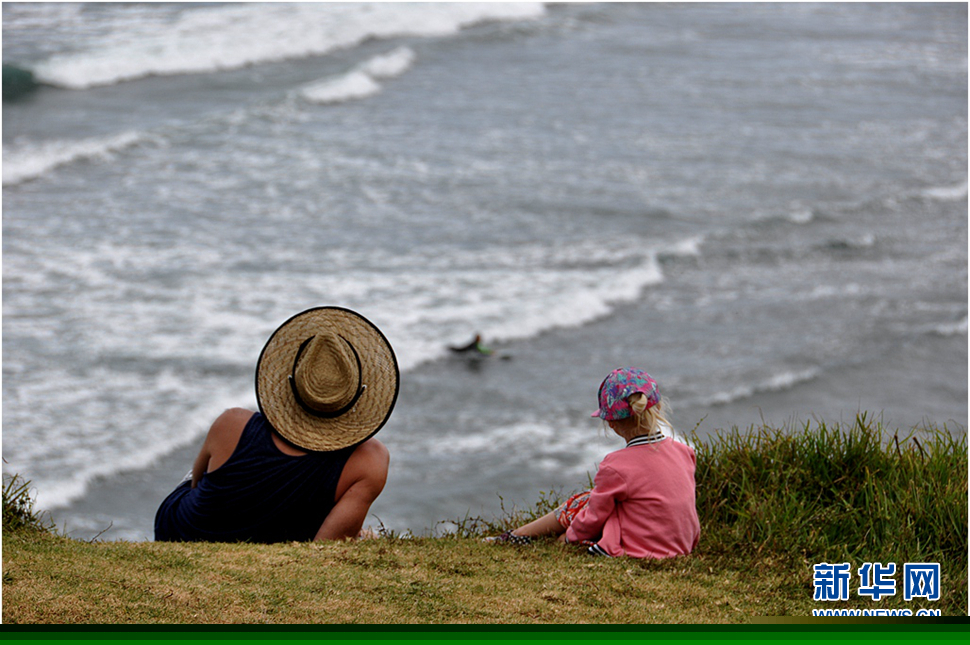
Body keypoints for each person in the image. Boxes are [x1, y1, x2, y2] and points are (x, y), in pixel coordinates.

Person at [154, 306, 399, 543]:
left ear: (290, 381)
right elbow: (326, 550)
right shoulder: (371, 460)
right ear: (359, 392)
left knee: (207, 473)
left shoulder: (232, 422)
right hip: (275, 539)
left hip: (180, 532)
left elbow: (197, 485)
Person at [486, 368, 700, 558]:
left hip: (639, 549)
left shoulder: (616, 465)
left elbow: (593, 518)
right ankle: (518, 535)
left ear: (611, 424)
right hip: (681, 547)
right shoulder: (685, 452)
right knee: (602, 499)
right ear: (658, 406)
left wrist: (568, 539)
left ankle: (519, 535)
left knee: (582, 502)